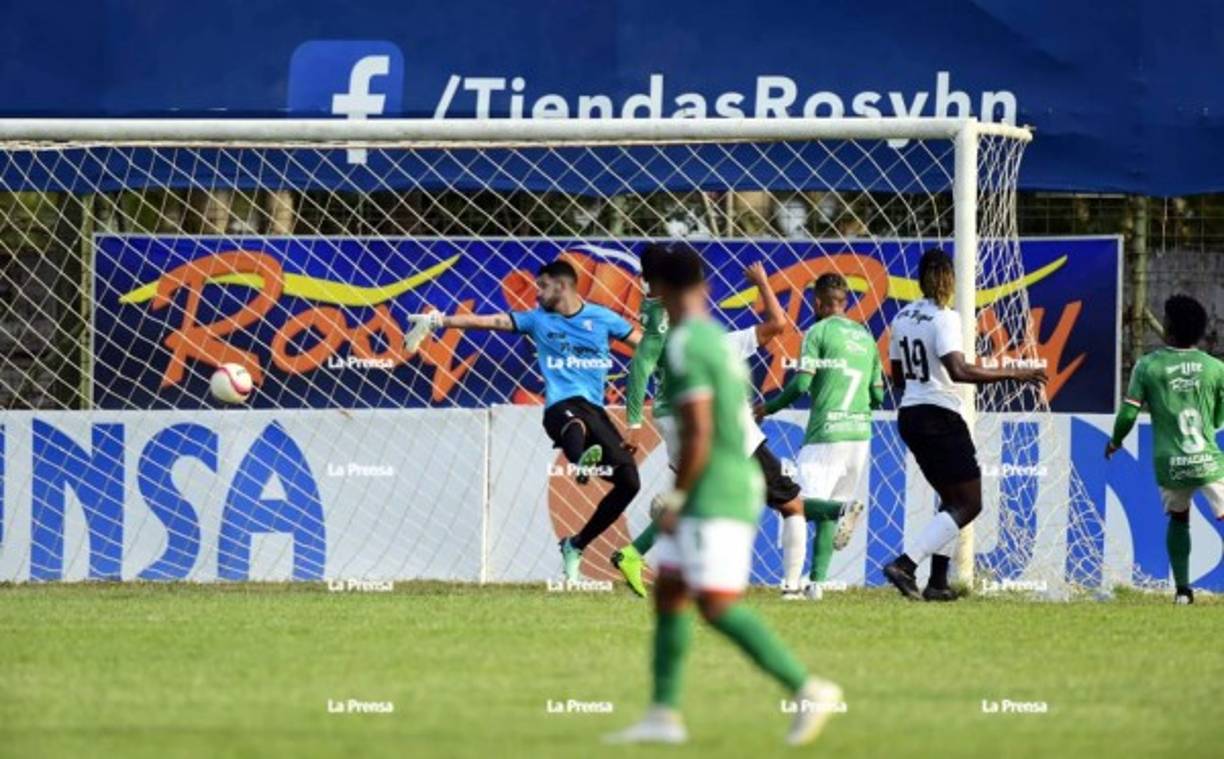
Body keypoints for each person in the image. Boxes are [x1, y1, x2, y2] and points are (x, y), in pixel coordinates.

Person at [605, 245, 841, 747]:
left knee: (714, 603)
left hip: (720, 485)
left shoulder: (687, 343)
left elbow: (702, 430)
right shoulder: (711, 337)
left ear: (656, 291)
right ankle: (663, 714)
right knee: (670, 590)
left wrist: (679, 497)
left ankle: (806, 688)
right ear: (704, 287)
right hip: (726, 477)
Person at [407, 259, 641, 581]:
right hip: (559, 407)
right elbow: (489, 321)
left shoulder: (603, 318)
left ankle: (575, 543)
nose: (537, 294)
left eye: (542, 286)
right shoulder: (537, 320)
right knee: (575, 425)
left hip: (595, 409)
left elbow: (645, 346)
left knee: (630, 483)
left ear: (561, 286)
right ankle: (581, 460)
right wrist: (438, 321)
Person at [880, 248, 1046, 601]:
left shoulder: (902, 317)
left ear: (921, 278)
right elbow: (959, 370)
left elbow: (897, 377)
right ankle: (905, 565)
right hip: (939, 416)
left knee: (950, 500)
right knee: (970, 504)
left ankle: (938, 583)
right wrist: (1015, 372)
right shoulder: (946, 318)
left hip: (910, 415)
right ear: (949, 279)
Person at [756, 272, 879, 598]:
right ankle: (817, 585)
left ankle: (791, 588)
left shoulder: (817, 331)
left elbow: (800, 385)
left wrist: (766, 409)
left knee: (794, 505)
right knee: (825, 506)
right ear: (845, 303)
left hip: (827, 434)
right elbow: (878, 395)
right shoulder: (866, 337)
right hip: (860, 435)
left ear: (818, 303)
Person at [1106, 294, 1224, 604]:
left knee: (1179, 519)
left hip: (1170, 463)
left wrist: (1115, 442)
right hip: (1207, 460)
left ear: (1168, 328)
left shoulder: (1148, 366)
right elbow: (1219, 415)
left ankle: (1183, 592)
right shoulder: (1215, 368)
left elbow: (1129, 414)